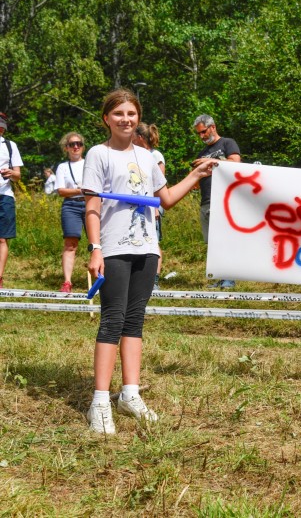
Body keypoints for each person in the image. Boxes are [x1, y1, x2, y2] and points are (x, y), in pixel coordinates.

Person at [82, 88, 216, 434]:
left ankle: (130, 394)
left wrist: (198, 175)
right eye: (118, 114)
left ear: (138, 118)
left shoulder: (147, 157)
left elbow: (165, 200)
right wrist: (95, 248)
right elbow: (93, 206)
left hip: (146, 248)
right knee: (112, 319)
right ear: (106, 119)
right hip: (113, 248)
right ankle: (99, 401)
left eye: (131, 113)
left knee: (135, 320)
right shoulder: (98, 154)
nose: (126, 119)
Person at [191, 114, 241, 289]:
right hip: (206, 201)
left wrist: (211, 161)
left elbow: (236, 163)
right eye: (199, 134)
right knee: (212, 243)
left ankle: (230, 278)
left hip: (224, 200)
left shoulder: (227, 143)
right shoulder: (201, 153)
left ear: (213, 127)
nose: (202, 136)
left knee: (225, 239)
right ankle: (220, 277)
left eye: (203, 132)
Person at [134, 123, 166, 291]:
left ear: (139, 137)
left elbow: (159, 185)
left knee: (154, 241)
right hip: (139, 205)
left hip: (152, 205)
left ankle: (154, 279)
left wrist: (155, 208)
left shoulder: (156, 155)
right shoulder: (135, 154)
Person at [54, 132, 87, 292]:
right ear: (66, 148)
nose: (76, 147)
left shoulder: (89, 163)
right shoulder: (62, 167)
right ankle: (67, 282)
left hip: (90, 204)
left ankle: (103, 278)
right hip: (71, 206)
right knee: (70, 244)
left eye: (79, 144)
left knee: (98, 243)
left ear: (83, 146)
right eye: (72, 144)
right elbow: (61, 191)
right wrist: (78, 190)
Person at [0, 111, 23, 289]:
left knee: (2, 239)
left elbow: (17, 175)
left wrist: (11, 173)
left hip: (5, 196)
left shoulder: (10, 146)